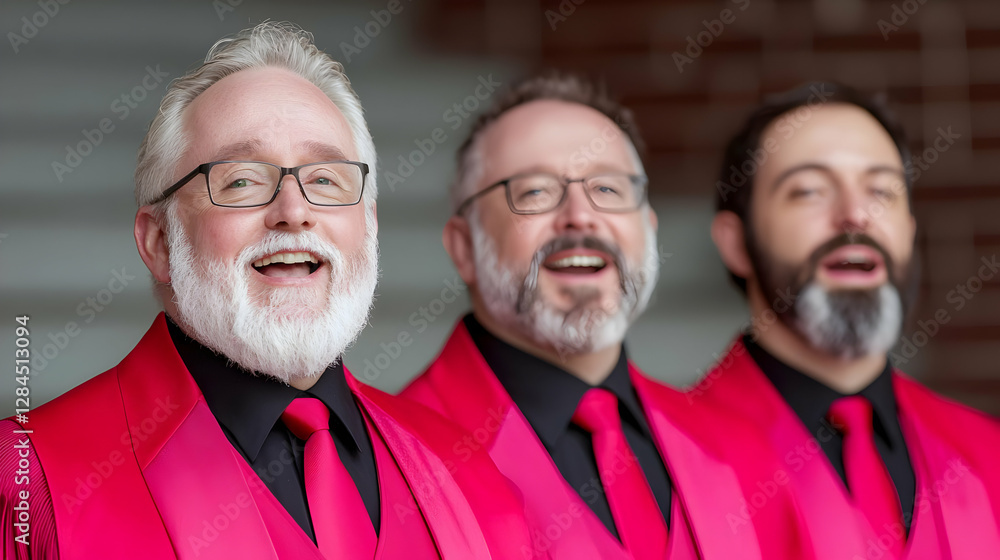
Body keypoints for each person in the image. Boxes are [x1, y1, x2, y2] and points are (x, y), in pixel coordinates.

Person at [0, 22, 536, 560]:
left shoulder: (466, 471)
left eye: (326, 180)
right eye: (241, 181)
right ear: (160, 242)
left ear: (369, 225)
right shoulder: (30, 483)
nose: (294, 212)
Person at [401, 75, 801, 559]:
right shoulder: (402, 464)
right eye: (534, 192)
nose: (581, 215)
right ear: (464, 248)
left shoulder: (738, 447)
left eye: (608, 188)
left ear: (648, 229)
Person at [698, 82, 1000, 559]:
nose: (855, 215)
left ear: (909, 230)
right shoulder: (672, 457)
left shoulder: (989, 454)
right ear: (736, 242)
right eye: (809, 191)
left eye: (881, 189)